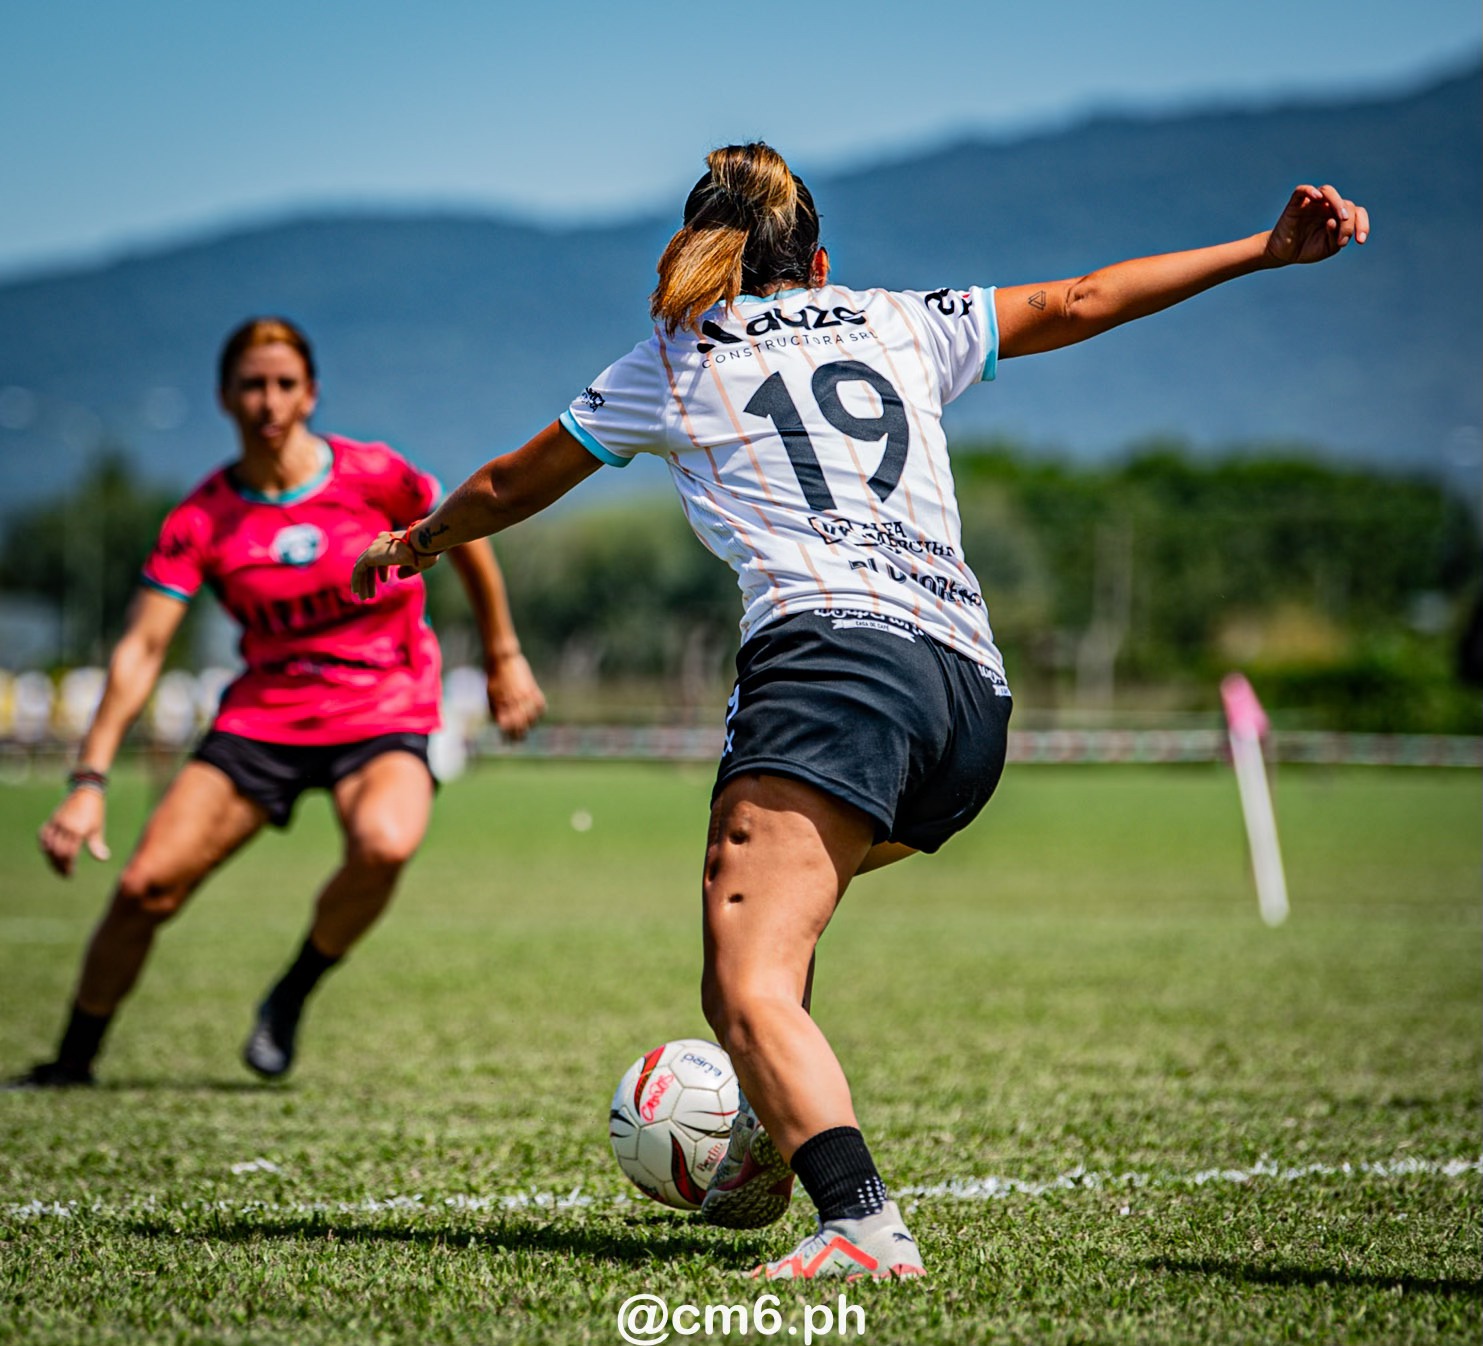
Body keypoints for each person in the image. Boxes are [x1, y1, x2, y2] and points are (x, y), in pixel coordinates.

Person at [350, 144, 1369, 1278]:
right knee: (758, 961)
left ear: (709, 265)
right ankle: (776, 1139)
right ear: (820, 261)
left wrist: (414, 542)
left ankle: (861, 1223)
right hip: (967, 700)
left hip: (832, 663)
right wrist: (1263, 250)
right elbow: (1081, 298)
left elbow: (510, 483)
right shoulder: (894, 318)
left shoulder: (679, 354)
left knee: (743, 982)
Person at [14, 316, 546, 1088]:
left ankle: (291, 993)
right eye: (252, 385)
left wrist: (503, 655)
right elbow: (141, 650)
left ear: (311, 394)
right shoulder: (200, 518)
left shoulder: (377, 476)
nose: (269, 401)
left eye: (284, 385)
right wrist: (88, 781)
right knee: (141, 889)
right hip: (263, 720)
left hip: (382, 705)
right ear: (225, 397)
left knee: (385, 846)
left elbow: (465, 531)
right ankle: (70, 1063)